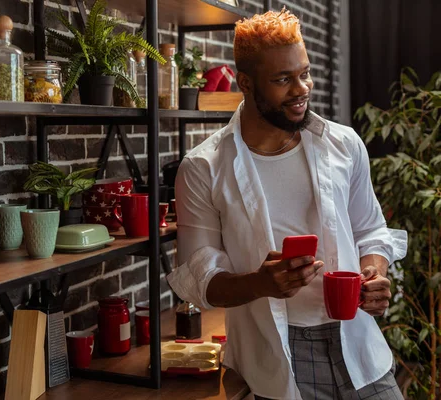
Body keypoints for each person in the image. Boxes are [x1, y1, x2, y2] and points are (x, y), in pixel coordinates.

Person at [166, 8, 408, 400]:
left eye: (304, 73)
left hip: (358, 345)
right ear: (246, 83)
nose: (301, 89)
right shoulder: (202, 168)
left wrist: (373, 272)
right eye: (283, 79)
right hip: (274, 359)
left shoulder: (343, 144)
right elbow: (199, 280)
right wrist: (260, 283)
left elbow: (371, 230)